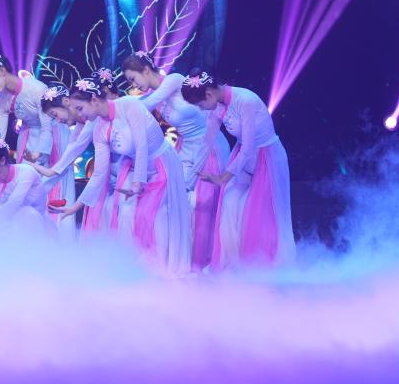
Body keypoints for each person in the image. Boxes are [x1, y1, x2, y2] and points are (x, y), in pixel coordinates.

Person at [55, 79, 190, 273]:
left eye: (80, 108)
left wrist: (137, 183)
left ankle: (160, 266)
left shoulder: (128, 105)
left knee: (155, 215)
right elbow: (99, 172)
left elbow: (142, 145)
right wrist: (76, 207)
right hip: (133, 167)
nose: (80, 114)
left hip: (161, 165)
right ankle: (131, 265)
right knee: (125, 213)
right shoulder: (99, 128)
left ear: (94, 100)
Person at [122, 53, 231, 271]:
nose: (134, 85)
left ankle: (205, 262)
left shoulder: (173, 80)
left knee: (201, 204)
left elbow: (146, 104)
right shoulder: (153, 95)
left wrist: (118, 107)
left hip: (208, 146)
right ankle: (181, 260)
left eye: (134, 79)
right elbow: (143, 103)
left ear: (146, 70)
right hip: (185, 147)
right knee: (176, 202)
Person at [181, 68, 295, 268]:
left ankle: (263, 266)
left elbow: (249, 148)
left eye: (200, 104)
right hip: (242, 158)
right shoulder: (216, 107)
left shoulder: (245, 100)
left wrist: (222, 178)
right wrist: (187, 183)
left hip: (266, 159)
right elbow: (207, 142)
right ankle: (233, 265)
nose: (201, 109)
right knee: (229, 203)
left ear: (209, 94)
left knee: (257, 213)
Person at [32, 84, 95, 236]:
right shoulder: (80, 126)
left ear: (67, 102)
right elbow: (64, 162)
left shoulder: (91, 121)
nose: (58, 120)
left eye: (55, 114)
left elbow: (61, 165)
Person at [0, 52, 57, 162]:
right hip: (28, 136)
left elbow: (47, 126)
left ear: (2, 71)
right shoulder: (2, 100)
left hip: (52, 134)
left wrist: (37, 154)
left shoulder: (36, 88)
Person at [0, 132, 51, 230]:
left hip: (34, 226)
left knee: (27, 213)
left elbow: (14, 203)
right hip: (7, 227)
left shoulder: (26, 173)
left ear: (2, 160)